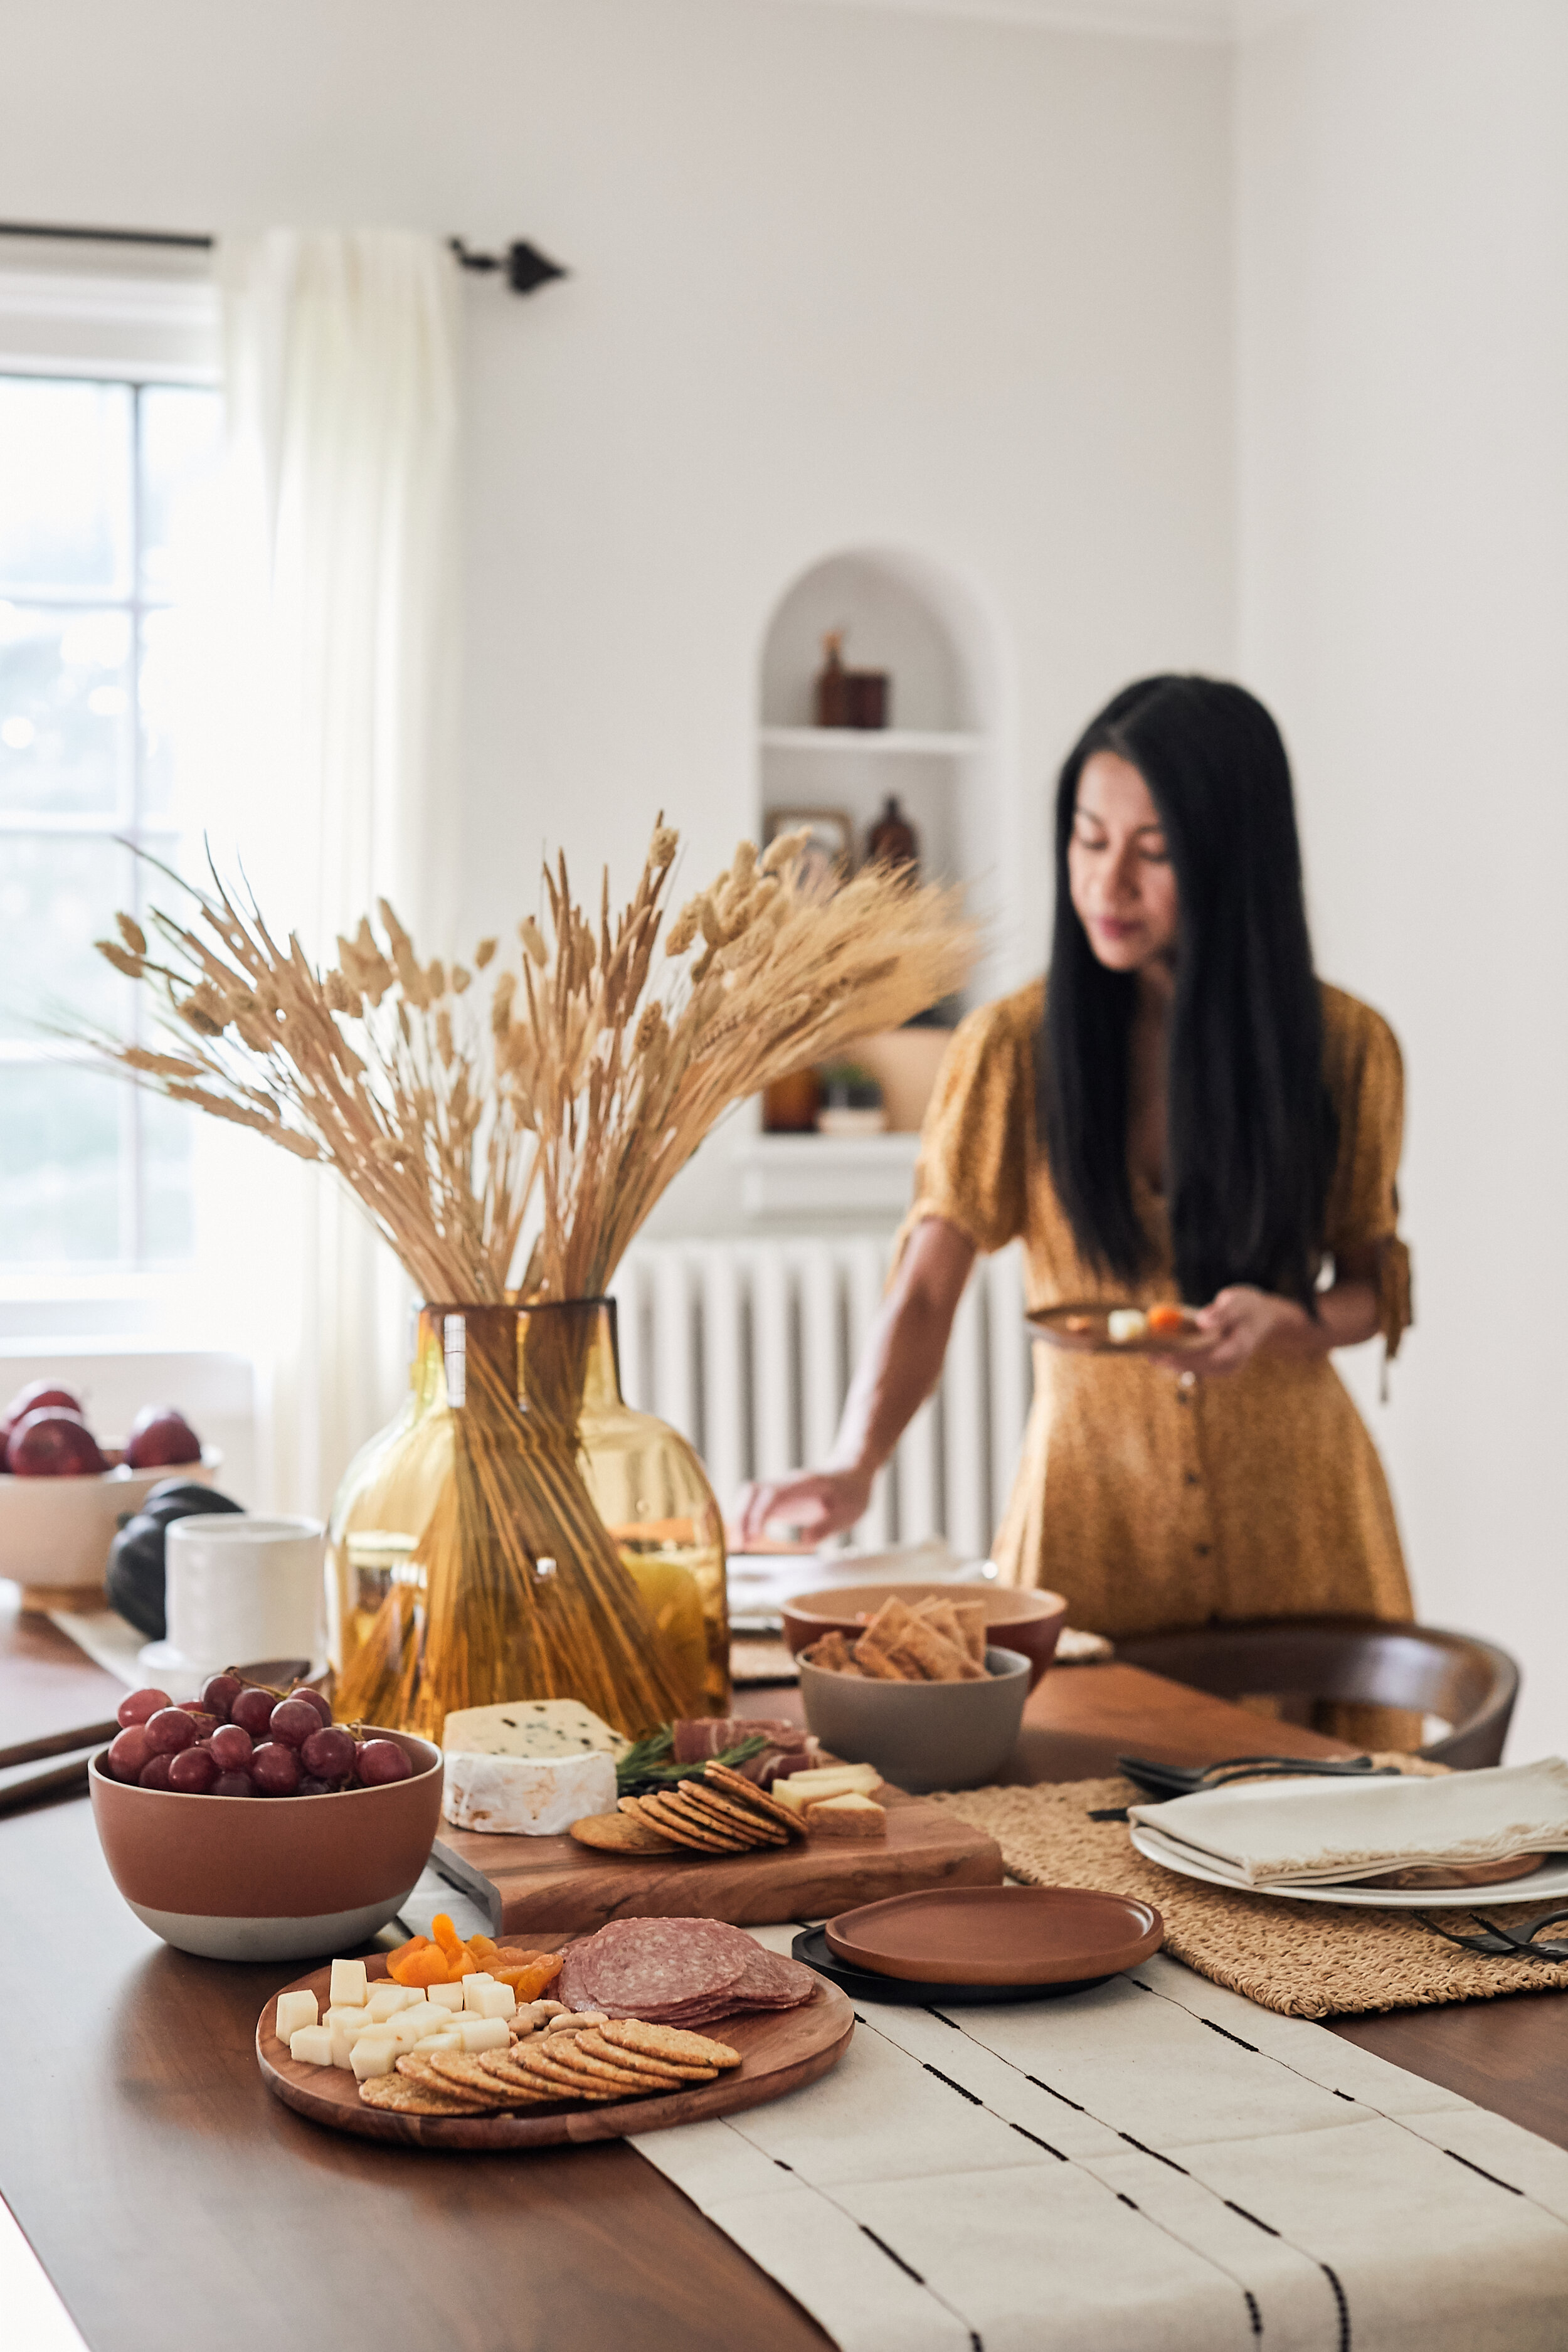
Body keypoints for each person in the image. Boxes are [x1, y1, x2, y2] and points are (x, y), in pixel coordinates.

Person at [736, 674, 1414, 1654]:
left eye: (1156, 851)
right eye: (1090, 839)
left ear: (1235, 856)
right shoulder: (1013, 1048)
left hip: (1307, 1535)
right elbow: (927, 1286)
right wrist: (854, 1461)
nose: (1107, 884)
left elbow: (1371, 1291)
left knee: (1328, 1797)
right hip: (1089, 1529)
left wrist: (1283, 1322)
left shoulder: (1346, 1048)